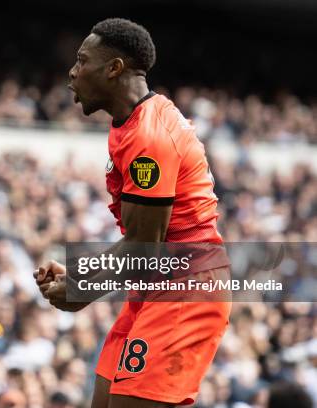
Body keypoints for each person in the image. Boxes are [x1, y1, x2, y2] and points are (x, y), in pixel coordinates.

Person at [35, 18, 231, 407]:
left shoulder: (149, 137)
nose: (73, 72)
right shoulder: (134, 120)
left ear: (114, 69)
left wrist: (79, 289)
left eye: (81, 60)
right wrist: (80, 275)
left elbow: (144, 245)